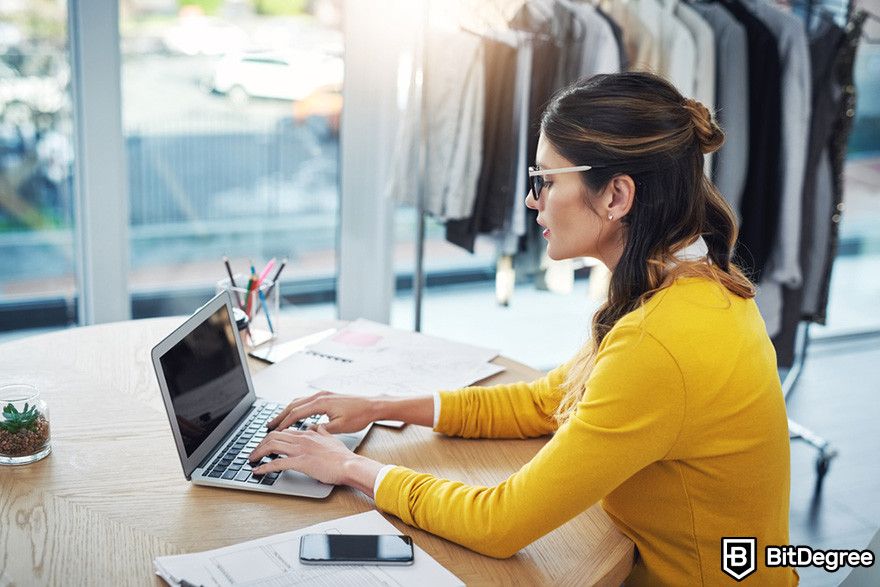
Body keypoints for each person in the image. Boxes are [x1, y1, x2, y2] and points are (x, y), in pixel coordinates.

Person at [248, 72, 797, 585]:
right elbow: (548, 402)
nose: (532, 199)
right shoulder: (688, 285)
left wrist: (349, 466)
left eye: (546, 179)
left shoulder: (659, 340)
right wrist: (378, 407)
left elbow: (501, 523)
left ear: (616, 196)